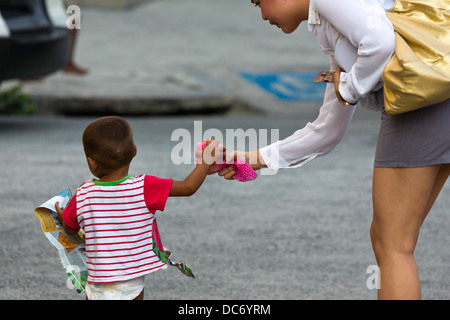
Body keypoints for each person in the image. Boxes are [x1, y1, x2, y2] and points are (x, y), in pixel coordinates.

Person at [219, 0, 449, 300]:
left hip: (425, 106)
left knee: (392, 245)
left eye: (258, 1)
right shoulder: (332, 25)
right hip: (439, 92)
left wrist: (350, 88)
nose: (262, 14)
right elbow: (328, 129)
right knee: (391, 240)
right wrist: (254, 159)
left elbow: (379, 42)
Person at [55, 116, 223, 300]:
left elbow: (70, 229)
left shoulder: (84, 193)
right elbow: (188, 187)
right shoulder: (145, 187)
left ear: (92, 162)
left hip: (98, 282)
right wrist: (207, 159)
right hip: (132, 281)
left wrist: (63, 216)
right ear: (134, 151)